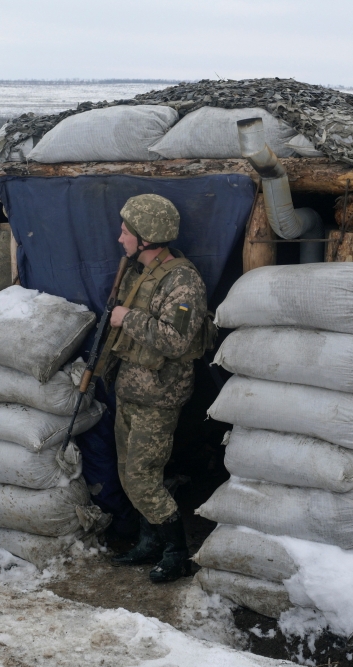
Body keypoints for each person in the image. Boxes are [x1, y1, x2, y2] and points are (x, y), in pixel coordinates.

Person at [106, 194, 211, 583]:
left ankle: (176, 551)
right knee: (127, 472)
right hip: (130, 389)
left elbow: (175, 342)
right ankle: (149, 544)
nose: (120, 238)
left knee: (142, 477)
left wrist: (126, 318)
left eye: (126, 231)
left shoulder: (183, 281)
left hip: (158, 396)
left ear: (147, 237)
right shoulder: (139, 273)